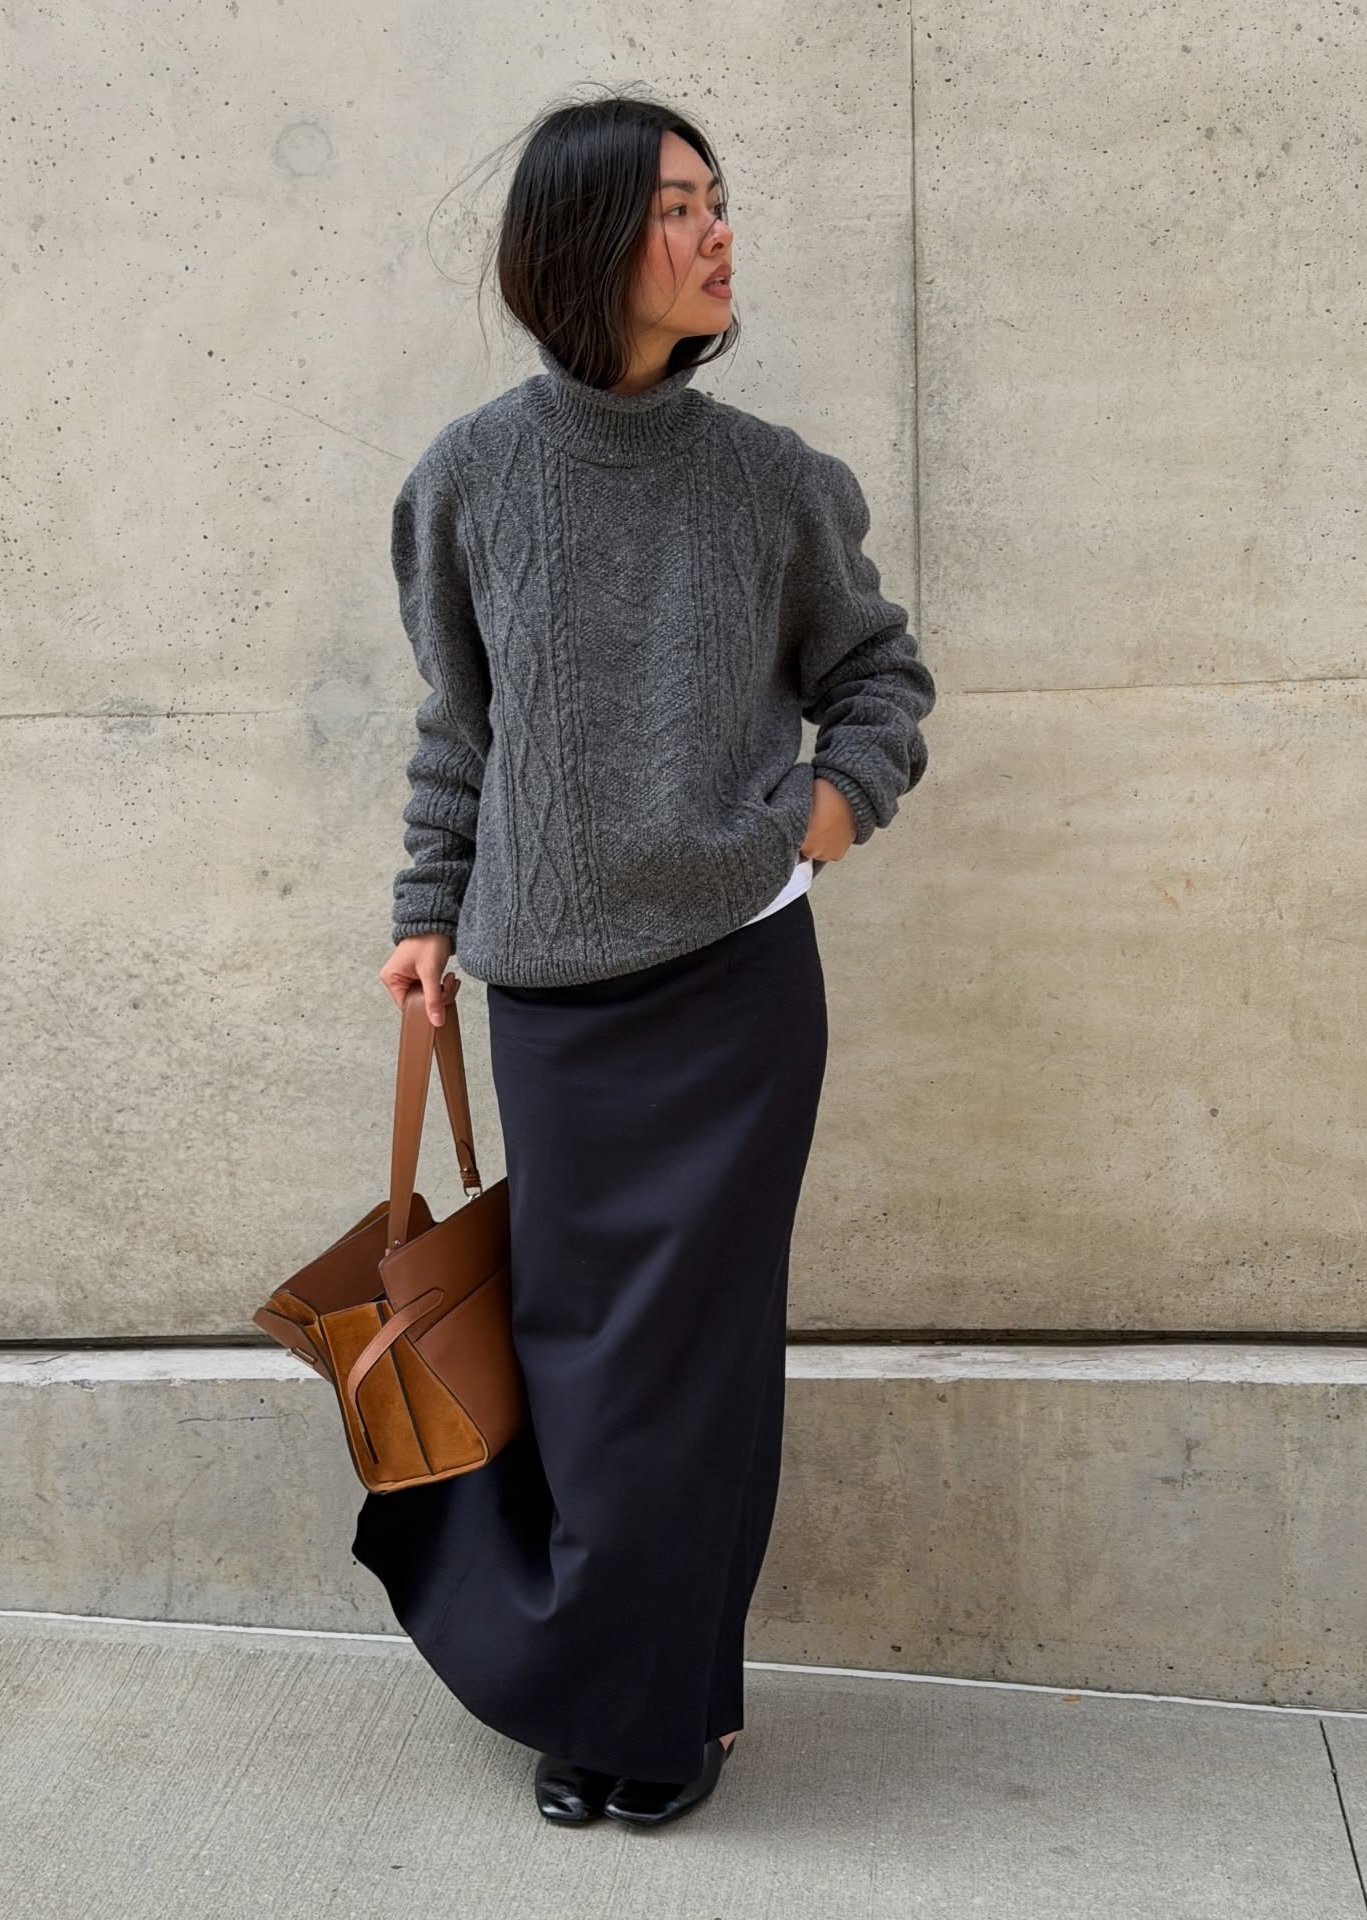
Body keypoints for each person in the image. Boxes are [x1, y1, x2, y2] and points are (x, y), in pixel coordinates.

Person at [351, 91, 936, 1829]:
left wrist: (819, 819)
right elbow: (462, 730)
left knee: (695, 1369)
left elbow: (881, 685)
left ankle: (661, 1717)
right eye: (681, 207)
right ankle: (611, 1688)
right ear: (590, 238)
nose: (718, 232)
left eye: (721, 201)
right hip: (549, 999)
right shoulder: (467, 480)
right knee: (589, 1361)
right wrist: (421, 914)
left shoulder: (771, 482)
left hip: (735, 997)